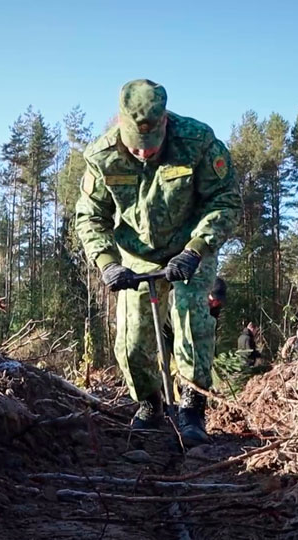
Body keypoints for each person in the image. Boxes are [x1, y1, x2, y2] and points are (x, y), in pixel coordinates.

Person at [75, 79, 240, 447]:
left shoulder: (197, 142)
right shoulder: (102, 156)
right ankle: (149, 405)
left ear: (165, 123)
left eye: (151, 146)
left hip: (190, 249)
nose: (144, 153)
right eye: (136, 145)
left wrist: (196, 249)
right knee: (132, 341)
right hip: (135, 255)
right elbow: (90, 216)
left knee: (189, 318)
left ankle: (193, 406)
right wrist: (107, 263)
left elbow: (225, 201)